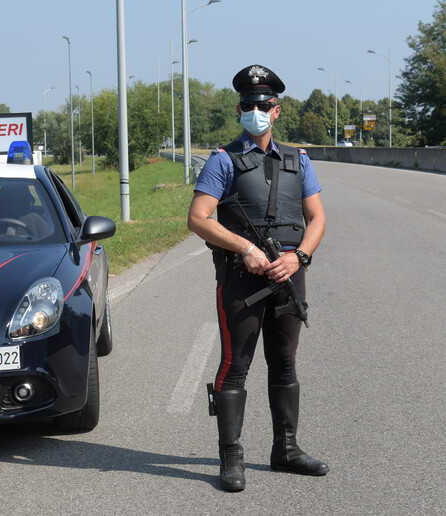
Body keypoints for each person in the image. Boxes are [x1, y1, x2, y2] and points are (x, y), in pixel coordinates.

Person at [187, 64, 328, 492]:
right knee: (236, 366)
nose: (256, 110)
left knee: (285, 363)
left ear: (277, 110)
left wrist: (300, 256)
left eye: (263, 104)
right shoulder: (222, 160)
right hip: (241, 281)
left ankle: (286, 450)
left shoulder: (297, 160)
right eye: (248, 105)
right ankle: (231, 459)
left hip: (288, 277)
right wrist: (245, 248)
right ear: (239, 109)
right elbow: (198, 218)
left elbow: (318, 217)